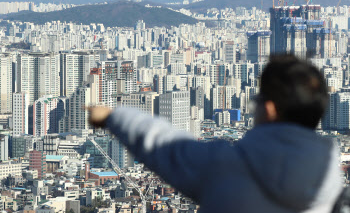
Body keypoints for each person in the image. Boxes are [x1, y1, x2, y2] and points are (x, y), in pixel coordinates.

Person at [87, 54, 342, 213]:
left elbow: (163, 145)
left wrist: (113, 116)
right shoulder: (334, 189)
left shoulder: (226, 167)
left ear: (269, 108)